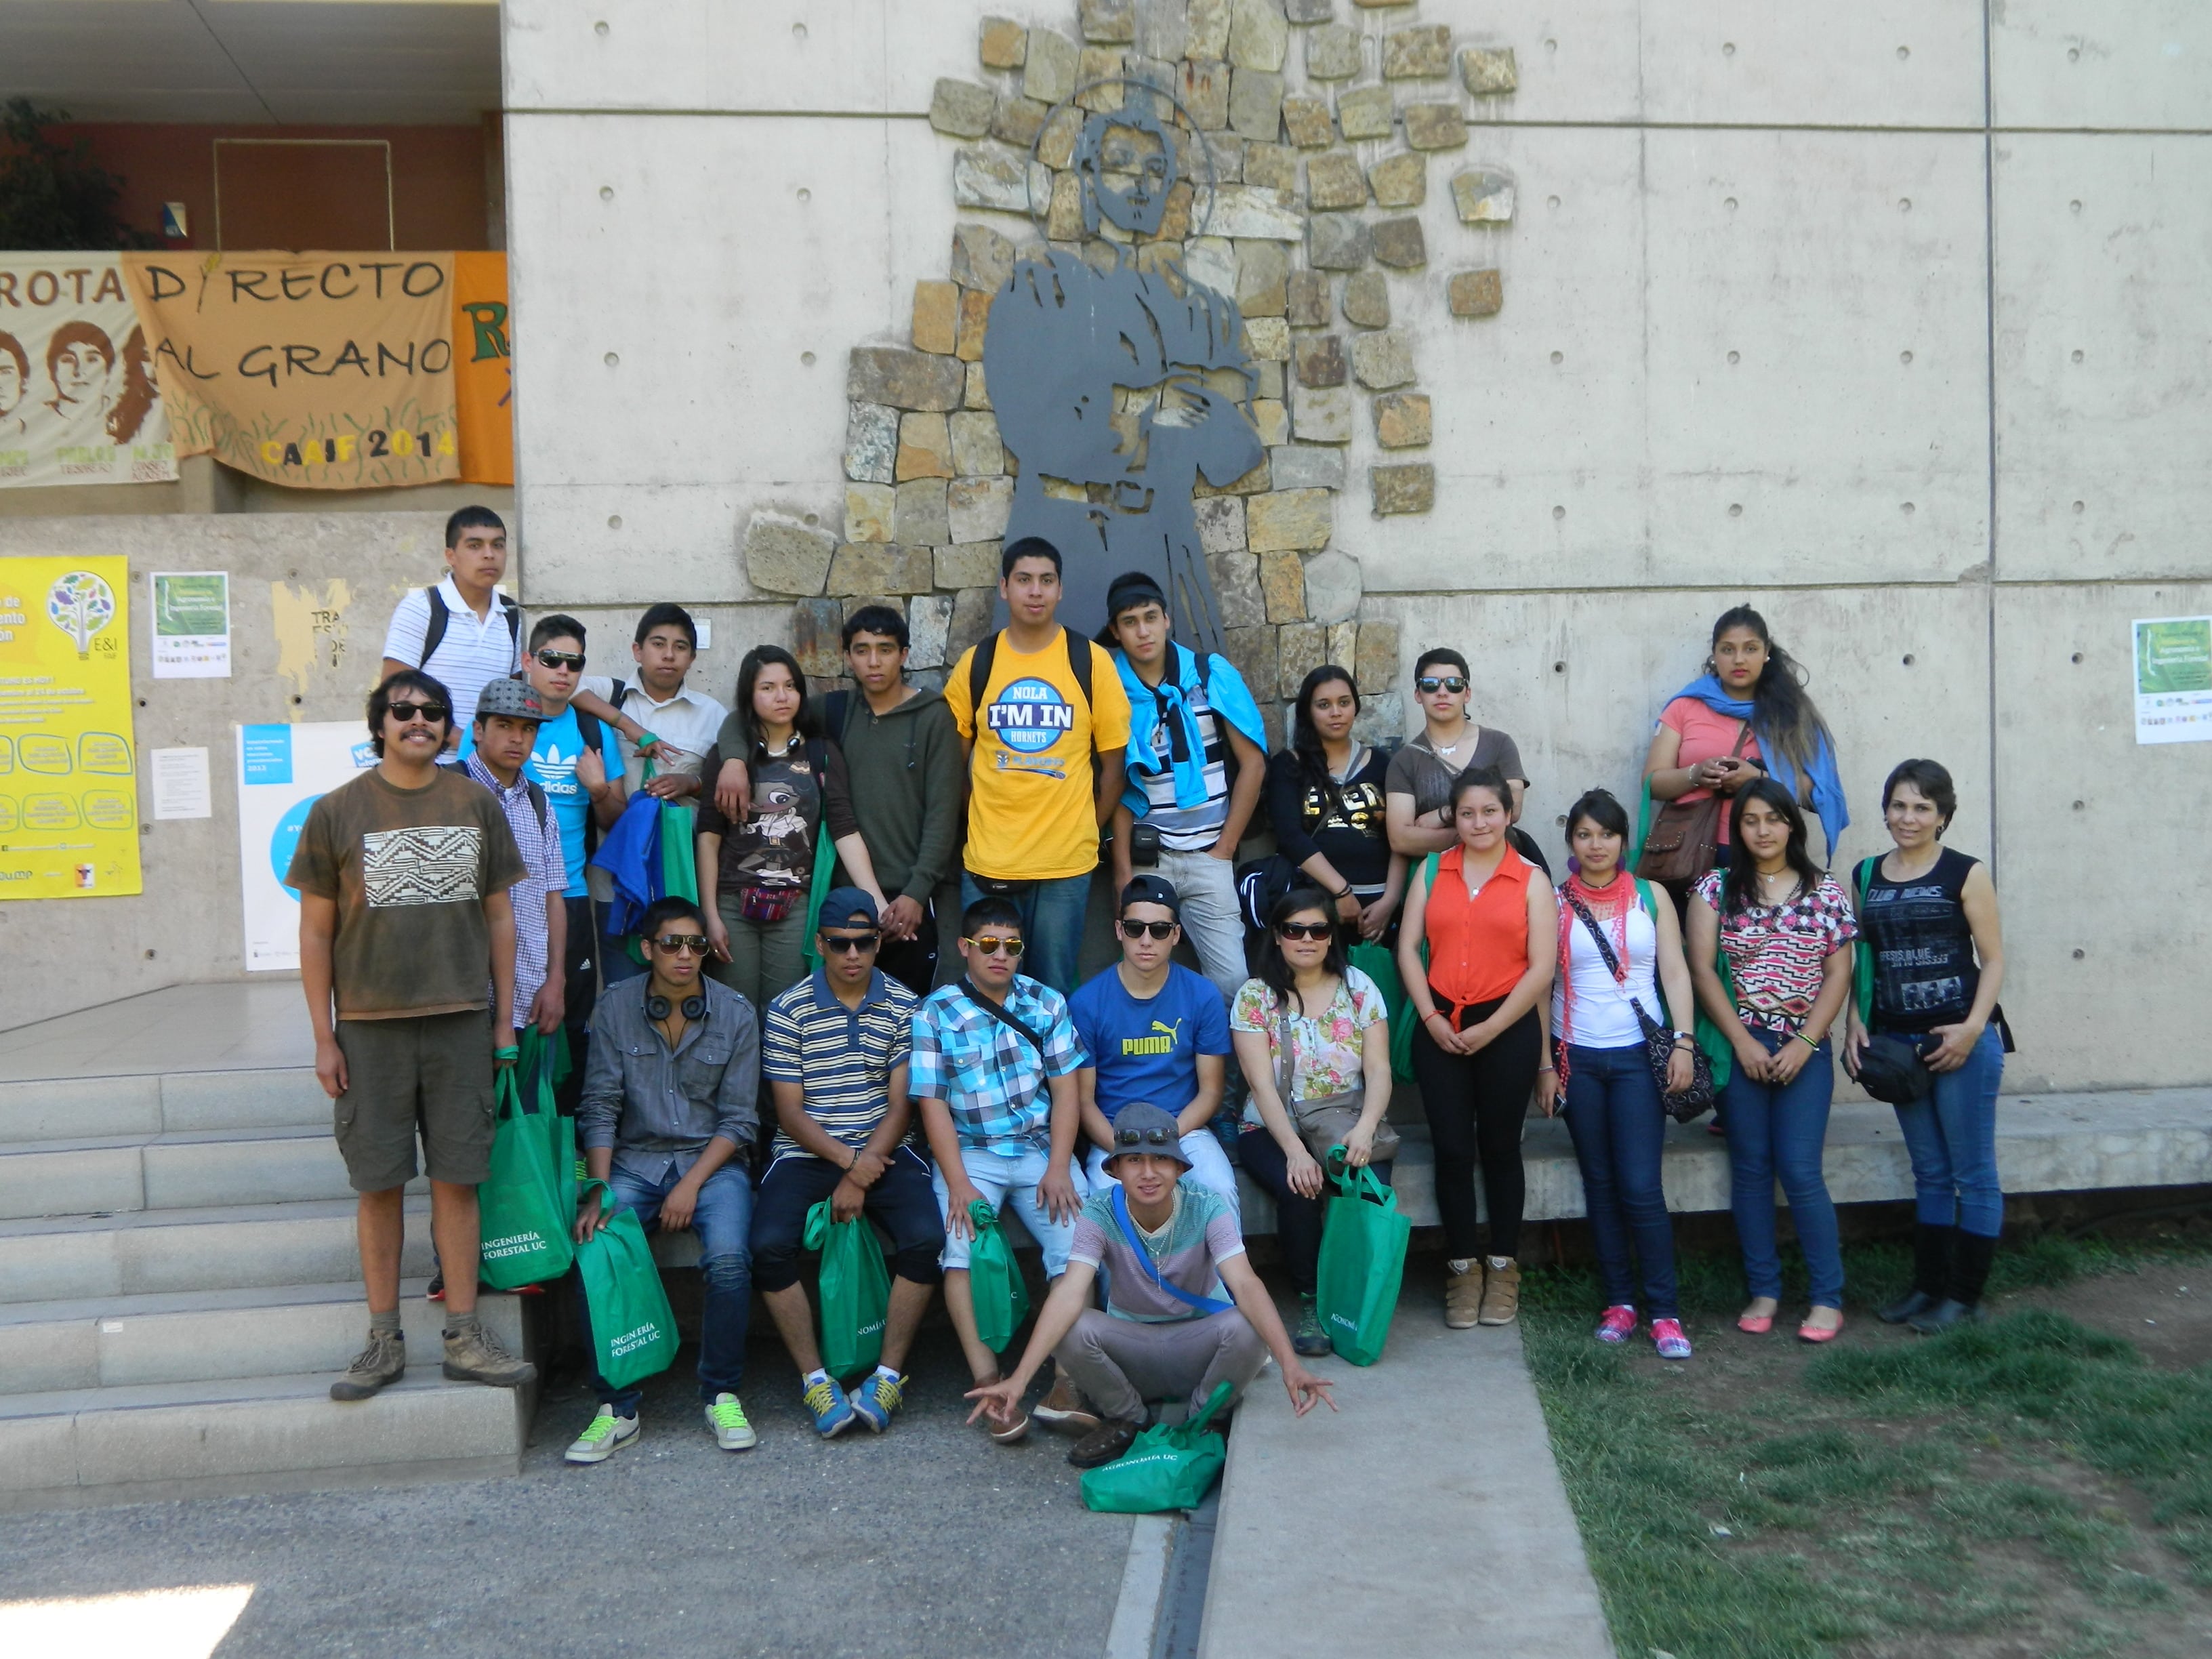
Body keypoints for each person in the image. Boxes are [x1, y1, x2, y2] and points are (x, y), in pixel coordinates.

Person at [289, 670, 536, 1401]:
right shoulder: (336, 812)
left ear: (448, 727)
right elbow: (314, 933)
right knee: (380, 1185)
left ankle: (463, 1333)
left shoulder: (475, 803)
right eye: (403, 711)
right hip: (368, 1030)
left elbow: (500, 918)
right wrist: (322, 1037)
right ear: (381, 724)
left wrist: (501, 1022)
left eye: (432, 712)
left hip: (461, 1023)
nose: (418, 721)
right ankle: (382, 1340)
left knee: (460, 1181)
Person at [966, 1104, 1336, 1469]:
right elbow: (1069, 1292)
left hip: (1200, 1348)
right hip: (1132, 1352)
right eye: (1133, 1161)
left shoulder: (1207, 1206)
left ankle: (1202, 1419)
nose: (1148, 1173)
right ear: (1114, 1169)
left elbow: (1246, 1283)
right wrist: (1019, 1380)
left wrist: (1291, 1365)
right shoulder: (1098, 1211)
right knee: (1071, 1325)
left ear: (1179, 1167)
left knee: (1247, 1327)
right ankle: (1127, 1418)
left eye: (1160, 1160)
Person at [566, 896, 762, 1463]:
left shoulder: (735, 1012)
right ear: (647, 948)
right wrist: (599, 1191)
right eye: (672, 944)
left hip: (713, 1164)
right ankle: (615, 1407)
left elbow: (740, 1120)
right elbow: (599, 1105)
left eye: (696, 944)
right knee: (597, 1246)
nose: (685, 955)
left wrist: (690, 1185)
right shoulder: (615, 1007)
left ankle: (721, 1393)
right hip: (634, 1163)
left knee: (728, 1261)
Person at [752, 888, 943, 1436]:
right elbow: (788, 1112)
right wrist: (847, 1165)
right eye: (840, 944)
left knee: (927, 1238)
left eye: (864, 942)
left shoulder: (906, 1004)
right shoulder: (789, 1008)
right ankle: (815, 1380)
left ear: (879, 943)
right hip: (808, 1150)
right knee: (766, 1246)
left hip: (887, 1145)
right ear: (820, 944)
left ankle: (887, 1376)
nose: (853, 954)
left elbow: (902, 1103)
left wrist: (865, 1166)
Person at [713, 605, 965, 996]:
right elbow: (748, 715)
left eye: (885, 649)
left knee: (913, 1012)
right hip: (842, 897)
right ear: (848, 658)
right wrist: (731, 759)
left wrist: (917, 893)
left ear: (904, 655)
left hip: (912, 898)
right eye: (862, 650)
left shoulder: (933, 717)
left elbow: (943, 814)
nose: (874, 661)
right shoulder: (834, 710)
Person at [910, 897, 1088, 1442]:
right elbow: (932, 1103)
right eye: (988, 944)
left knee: (1079, 1247)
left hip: (1038, 1149)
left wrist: (1060, 1165)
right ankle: (989, 1383)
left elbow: (1066, 1091)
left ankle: (1066, 1381)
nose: (1001, 955)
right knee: (959, 1249)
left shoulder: (1046, 1002)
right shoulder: (934, 1012)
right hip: (970, 1154)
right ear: (965, 947)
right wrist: (959, 1184)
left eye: (1012, 946)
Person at [1688, 779, 1857, 1344]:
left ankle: (1827, 1297)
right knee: (1753, 1170)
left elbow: (1839, 973)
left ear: (1793, 825)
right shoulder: (1715, 888)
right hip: (1743, 1045)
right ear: (1738, 829)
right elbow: (1703, 969)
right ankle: (1764, 1290)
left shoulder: (1825, 890)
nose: (1763, 830)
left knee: (1801, 1170)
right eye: (1751, 820)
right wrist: (1741, 1041)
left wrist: (1805, 1043)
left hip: (1803, 1046)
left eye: (1774, 819)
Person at [1845, 760, 2009, 1334]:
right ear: (1885, 809)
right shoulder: (1866, 874)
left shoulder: (1965, 872)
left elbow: (1993, 959)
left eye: (1921, 807)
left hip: (1961, 1041)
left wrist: (1971, 1029)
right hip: (1899, 1047)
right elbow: (1862, 960)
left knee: (1973, 1173)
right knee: (1931, 1173)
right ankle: (1927, 1288)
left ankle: (1963, 1297)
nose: (1907, 817)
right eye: (1898, 805)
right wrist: (1854, 1023)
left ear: (1942, 816)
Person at [1397, 766, 1557, 1330]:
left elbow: (1542, 970)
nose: (1479, 822)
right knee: (1451, 1149)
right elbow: (1408, 949)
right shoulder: (1430, 871)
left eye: (1490, 811)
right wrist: (1429, 1016)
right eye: (1468, 813)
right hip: (1439, 1022)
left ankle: (1503, 1265)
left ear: (1508, 814)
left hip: (1506, 1026)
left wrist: (1493, 1029)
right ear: (1455, 818)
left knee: (1500, 1148)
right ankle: (1463, 1268)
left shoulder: (1532, 880)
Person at [945, 538, 1132, 996]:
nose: (1035, 591)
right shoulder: (978, 664)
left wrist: (1086, 827)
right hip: (991, 861)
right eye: (1024, 580)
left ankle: (1054, 1072)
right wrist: (979, 821)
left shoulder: (1090, 661)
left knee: (1052, 996)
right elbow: (955, 766)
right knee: (988, 993)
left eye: (1046, 580)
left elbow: (1114, 767)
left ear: (1060, 590)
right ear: (1004, 588)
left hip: (1065, 865)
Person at [1551, 790, 1697, 1360]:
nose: (1595, 845)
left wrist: (1683, 1042)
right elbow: (1543, 984)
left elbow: (1676, 974)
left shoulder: (1652, 896)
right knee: (1602, 1185)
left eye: (1606, 835)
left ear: (1623, 841)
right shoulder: (1554, 903)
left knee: (1640, 1187)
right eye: (1584, 835)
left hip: (1640, 1057)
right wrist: (1546, 1063)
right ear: (1572, 843)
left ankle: (1664, 1311)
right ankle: (1619, 1303)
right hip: (1577, 1058)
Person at [459, 615, 625, 1111]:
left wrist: (598, 788)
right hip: (479, 924)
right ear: (528, 661)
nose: (563, 670)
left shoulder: (589, 734)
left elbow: (614, 818)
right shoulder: (462, 779)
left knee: (561, 1026)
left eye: (574, 663)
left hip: (562, 899)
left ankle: (554, 1150)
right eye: (552, 659)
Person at [1232, 888, 1396, 1357]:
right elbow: (1261, 1086)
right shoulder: (1256, 996)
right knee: (1299, 1187)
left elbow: (1379, 1071)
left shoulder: (1360, 988)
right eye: (1294, 930)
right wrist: (1295, 1151)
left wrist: (1366, 1129)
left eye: (1318, 929)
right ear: (1278, 936)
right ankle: (1311, 1300)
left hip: (1344, 1117)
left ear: (1331, 937)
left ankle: (1354, 1298)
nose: (1307, 939)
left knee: (1369, 1187)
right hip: (1271, 1126)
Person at [1101, 571, 1269, 1003]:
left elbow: (1252, 763)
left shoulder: (1208, 674)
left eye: (1150, 617)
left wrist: (1226, 848)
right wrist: (1123, 874)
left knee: (1233, 983)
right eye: (1130, 621)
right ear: (1116, 632)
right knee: (1144, 980)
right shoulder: (1110, 688)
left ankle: (1230, 1073)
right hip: (1148, 858)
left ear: (1167, 619)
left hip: (1211, 853)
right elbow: (1121, 785)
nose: (1143, 631)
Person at [695, 645, 886, 1013]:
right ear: (749, 695)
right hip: (734, 902)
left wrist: (875, 899)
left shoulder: (821, 752)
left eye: (790, 686)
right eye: (767, 687)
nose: (781, 697)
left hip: (796, 905)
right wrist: (710, 914)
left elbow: (843, 827)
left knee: (786, 1013)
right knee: (734, 1014)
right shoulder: (727, 755)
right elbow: (708, 836)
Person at [1643, 605, 1849, 910]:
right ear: (1714, 654)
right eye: (1728, 649)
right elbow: (1652, 782)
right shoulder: (1685, 706)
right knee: (1693, 949)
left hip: (1763, 852)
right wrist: (1696, 774)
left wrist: (1759, 780)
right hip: (1689, 854)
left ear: (1766, 652)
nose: (1739, 659)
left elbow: (1819, 793)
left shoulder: (1792, 714)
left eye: (1750, 649)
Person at [577, 604, 730, 985]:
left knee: (681, 984)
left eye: (680, 647)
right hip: (616, 874)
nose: (668, 655)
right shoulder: (609, 695)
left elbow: (729, 782)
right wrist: (631, 729)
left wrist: (690, 784)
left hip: (681, 871)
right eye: (658, 644)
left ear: (692, 658)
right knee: (622, 986)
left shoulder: (712, 714)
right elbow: (558, 686)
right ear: (637, 651)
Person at [1071, 875, 1239, 1204]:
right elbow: (1084, 1102)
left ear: (1176, 935)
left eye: (1159, 930)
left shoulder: (1202, 994)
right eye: (1135, 928)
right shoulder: (1086, 1002)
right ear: (1119, 930)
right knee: (1108, 1202)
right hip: (1115, 1135)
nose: (1146, 940)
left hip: (1183, 1129)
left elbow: (1211, 1091)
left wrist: (1166, 1142)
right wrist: (1125, 1151)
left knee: (1218, 1191)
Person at [459, 678, 566, 1049]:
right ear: (478, 730)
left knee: (528, 1107)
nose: (518, 738)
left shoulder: (539, 803)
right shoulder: (450, 793)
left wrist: (556, 980)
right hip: (462, 997)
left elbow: (553, 897)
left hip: (529, 994)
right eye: (504, 725)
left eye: (528, 728)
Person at [1265, 665, 1404, 941]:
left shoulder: (1382, 763)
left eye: (1344, 702)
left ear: (1356, 706)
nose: (1336, 712)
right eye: (1324, 705)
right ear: (1307, 711)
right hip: (1313, 909)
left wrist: (1390, 901)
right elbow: (1290, 837)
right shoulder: (1288, 766)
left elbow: (1400, 837)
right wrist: (1342, 892)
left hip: (1377, 909)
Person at [1385, 647, 1549, 878]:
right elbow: (1401, 839)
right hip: (1434, 879)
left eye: (1453, 684)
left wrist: (1443, 815)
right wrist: (1480, 832)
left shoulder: (1499, 744)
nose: (1443, 692)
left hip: (1499, 875)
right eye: (1431, 684)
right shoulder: (1405, 760)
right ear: (1418, 694)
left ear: (1467, 693)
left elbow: (1513, 809)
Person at [380, 507, 525, 733]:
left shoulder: (512, 615)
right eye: (475, 546)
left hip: (489, 764)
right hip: (431, 762)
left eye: (498, 545)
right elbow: (394, 696)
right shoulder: (421, 608)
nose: (489, 554)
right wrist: (462, 741)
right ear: (451, 556)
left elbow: (514, 701)